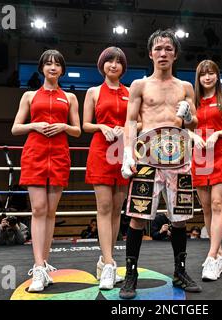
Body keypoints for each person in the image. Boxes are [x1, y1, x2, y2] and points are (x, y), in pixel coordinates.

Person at [120, 29, 201, 299]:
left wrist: (189, 115)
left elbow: (194, 123)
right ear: (150, 53)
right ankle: (131, 274)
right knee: (137, 217)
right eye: (158, 48)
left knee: (179, 219)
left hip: (178, 158)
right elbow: (131, 121)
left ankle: (180, 271)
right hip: (147, 159)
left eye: (168, 48)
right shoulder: (139, 86)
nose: (163, 53)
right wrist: (127, 153)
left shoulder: (185, 87)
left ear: (175, 53)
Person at [11, 49, 81, 292]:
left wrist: (63, 125)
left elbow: (78, 130)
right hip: (35, 154)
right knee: (38, 208)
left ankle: (45, 264)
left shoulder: (70, 97)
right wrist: (35, 125)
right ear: (41, 68)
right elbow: (16, 128)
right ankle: (38, 267)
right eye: (48, 64)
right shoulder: (29, 96)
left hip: (60, 155)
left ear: (62, 69)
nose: (53, 67)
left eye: (57, 64)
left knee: (51, 212)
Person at [190, 59, 222, 281]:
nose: (207, 77)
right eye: (203, 74)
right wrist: (193, 135)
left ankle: (211, 257)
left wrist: (217, 133)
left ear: (217, 76)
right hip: (200, 156)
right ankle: (220, 253)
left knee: (218, 204)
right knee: (206, 208)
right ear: (198, 78)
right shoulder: (192, 101)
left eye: (211, 73)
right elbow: (184, 127)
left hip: (221, 154)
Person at [83, 47, 129, 290]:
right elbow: (85, 124)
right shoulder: (93, 92)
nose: (114, 65)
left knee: (117, 210)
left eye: (118, 61)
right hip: (101, 151)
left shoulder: (131, 92)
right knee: (104, 207)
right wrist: (102, 127)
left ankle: (105, 260)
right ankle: (110, 263)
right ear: (102, 65)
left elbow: (139, 120)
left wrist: (126, 128)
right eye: (109, 61)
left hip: (123, 153)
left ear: (123, 67)